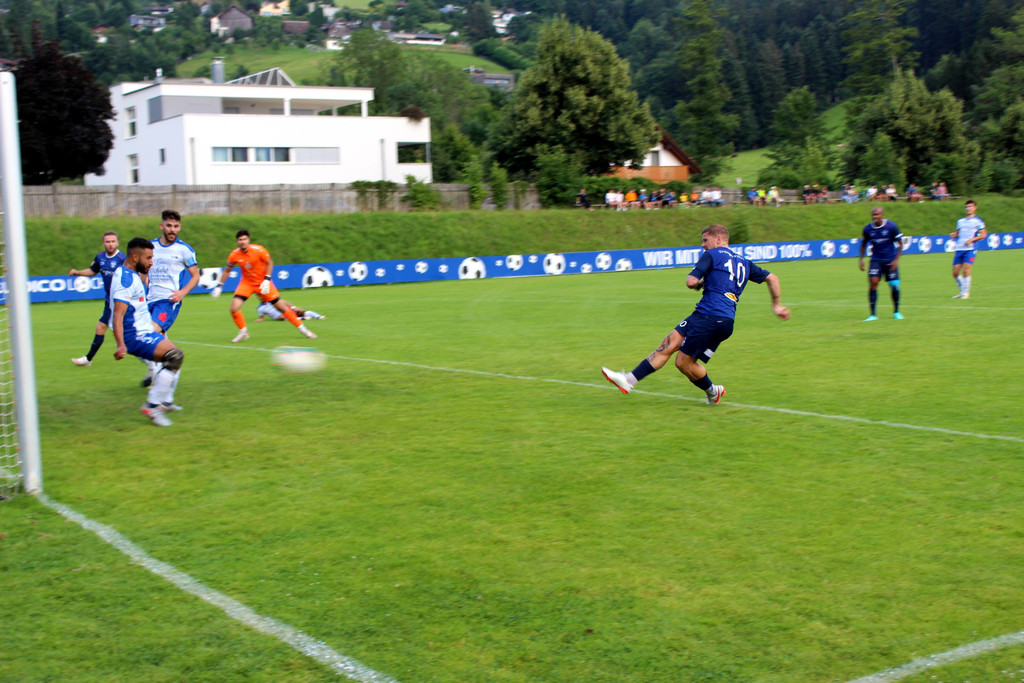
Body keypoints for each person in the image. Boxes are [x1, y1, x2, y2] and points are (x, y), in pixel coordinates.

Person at [601, 224, 790, 404]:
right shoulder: (744, 262)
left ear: (718, 239)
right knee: (670, 344)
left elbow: (691, 281)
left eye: (705, 240)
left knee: (682, 362)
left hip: (710, 316)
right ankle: (630, 380)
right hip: (719, 317)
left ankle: (712, 391)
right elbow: (772, 278)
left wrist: (699, 284)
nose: (702, 245)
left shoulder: (712, 254)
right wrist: (777, 305)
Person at [111, 238, 186, 427]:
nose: (152, 262)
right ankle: (152, 405)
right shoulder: (126, 280)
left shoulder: (130, 273)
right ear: (135, 257)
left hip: (144, 330)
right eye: (149, 258)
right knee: (174, 357)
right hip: (135, 335)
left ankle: (161, 400)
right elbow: (118, 315)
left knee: (174, 358)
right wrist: (121, 344)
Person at [211, 229, 318, 342]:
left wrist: (267, 279)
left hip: (263, 283)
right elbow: (227, 270)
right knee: (234, 308)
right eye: (240, 240)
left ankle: (303, 329)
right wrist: (219, 286)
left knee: (282, 308)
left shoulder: (259, 250)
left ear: (248, 240)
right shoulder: (234, 254)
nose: (242, 242)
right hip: (247, 284)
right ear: (237, 241)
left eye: (244, 239)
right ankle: (243, 332)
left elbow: (270, 263)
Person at [141, 210, 199, 387]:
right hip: (149, 301)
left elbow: (195, 276)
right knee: (142, 341)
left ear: (179, 227)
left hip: (168, 302)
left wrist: (182, 292)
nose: (172, 230)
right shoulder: (150, 246)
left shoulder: (184, 250)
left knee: (148, 333)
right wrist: (145, 281)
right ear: (161, 226)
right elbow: (142, 269)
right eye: (168, 226)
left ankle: (159, 378)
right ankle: (160, 374)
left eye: (175, 226)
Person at [69, 231, 125, 366]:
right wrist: (78, 272)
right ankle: (88, 359)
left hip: (121, 301)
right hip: (109, 301)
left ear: (117, 243)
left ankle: (152, 365)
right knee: (101, 328)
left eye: (113, 241)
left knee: (124, 336)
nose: (110, 244)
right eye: (107, 241)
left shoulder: (123, 259)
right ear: (103, 243)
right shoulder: (100, 257)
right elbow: (93, 271)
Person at [858, 206, 904, 321]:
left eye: (877, 214)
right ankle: (873, 314)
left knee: (894, 286)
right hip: (876, 260)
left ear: (882, 215)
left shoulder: (891, 226)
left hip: (890, 260)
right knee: (873, 282)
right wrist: (861, 259)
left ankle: (896, 312)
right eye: (873, 215)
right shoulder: (867, 229)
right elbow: (863, 244)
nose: (875, 217)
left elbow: (900, 244)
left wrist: (896, 260)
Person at [950, 199, 987, 299]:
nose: (968, 208)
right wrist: (954, 235)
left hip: (970, 249)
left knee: (966, 271)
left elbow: (983, 234)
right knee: (955, 272)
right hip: (959, 248)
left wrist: (972, 239)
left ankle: (965, 293)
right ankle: (962, 291)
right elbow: (958, 233)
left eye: (970, 206)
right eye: (966, 207)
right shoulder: (960, 221)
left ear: (975, 208)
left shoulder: (978, 221)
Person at [256, 299, 326, 322]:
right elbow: (261, 317)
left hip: (285, 311)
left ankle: (318, 316)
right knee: (283, 317)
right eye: (259, 296)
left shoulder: (272, 300)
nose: (261, 297)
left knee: (302, 312)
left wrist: (293, 307)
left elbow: (283, 301)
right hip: (278, 316)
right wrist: (260, 319)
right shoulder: (260, 308)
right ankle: (302, 318)